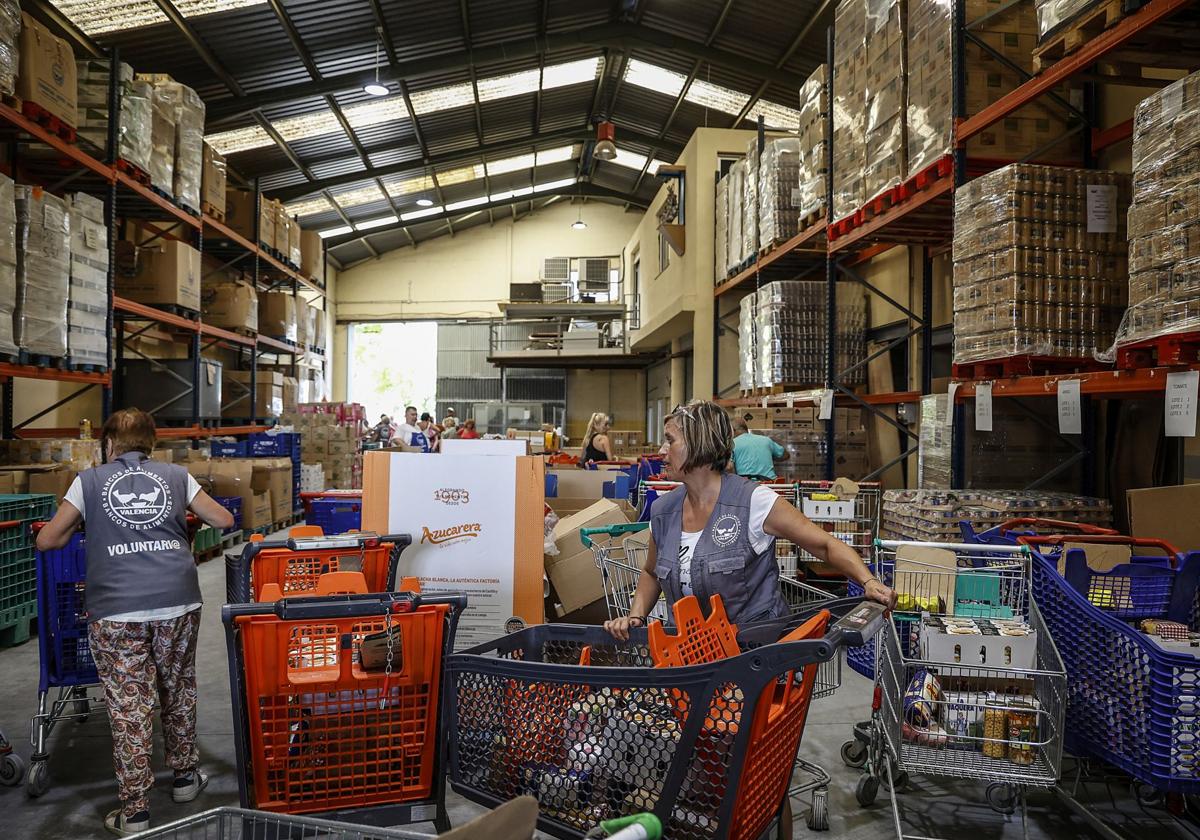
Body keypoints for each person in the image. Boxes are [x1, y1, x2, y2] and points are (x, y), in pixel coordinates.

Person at [35, 409, 235, 836]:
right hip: (177, 600)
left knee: (130, 706)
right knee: (177, 686)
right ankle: (184, 780)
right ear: (150, 442)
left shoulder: (88, 481)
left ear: (109, 443)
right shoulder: (177, 476)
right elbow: (224, 520)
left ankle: (136, 811)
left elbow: (47, 539)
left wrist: (79, 529)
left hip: (117, 610)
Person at [604, 400, 895, 641]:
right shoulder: (663, 510)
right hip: (689, 653)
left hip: (752, 655)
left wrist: (867, 581)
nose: (662, 452)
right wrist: (635, 616)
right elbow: (652, 572)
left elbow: (825, 546)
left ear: (699, 442)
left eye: (670, 441)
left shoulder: (753, 501)